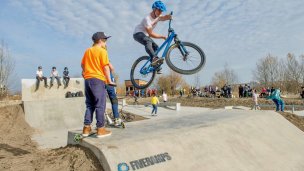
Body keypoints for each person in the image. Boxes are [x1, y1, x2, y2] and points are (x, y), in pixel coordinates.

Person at [81, 32, 114, 138]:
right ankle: (101, 129)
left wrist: (85, 73)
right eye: (105, 40)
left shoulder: (87, 51)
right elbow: (106, 67)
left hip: (88, 80)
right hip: (98, 80)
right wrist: (109, 80)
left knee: (90, 105)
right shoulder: (102, 51)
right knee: (100, 105)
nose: (106, 42)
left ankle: (86, 128)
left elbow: (82, 64)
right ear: (100, 40)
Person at [133, 1, 172, 74]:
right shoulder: (147, 19)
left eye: (161, 11)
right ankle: (154, 59)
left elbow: (163, 17)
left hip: (145, 35)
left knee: (156, 47)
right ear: (154, 9)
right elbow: (150, 34)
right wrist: (162, 37)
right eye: (159, 10)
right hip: (137, 33)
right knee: (148, 41)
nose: (160, 12)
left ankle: (154, 65)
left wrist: (169, 16)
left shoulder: (158, 16)